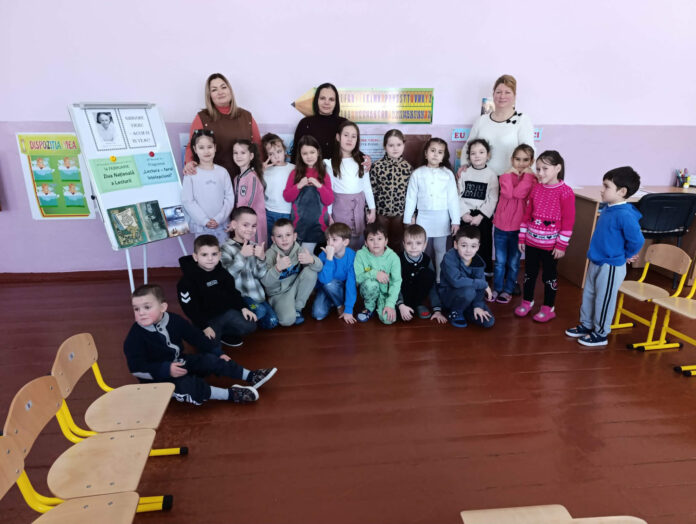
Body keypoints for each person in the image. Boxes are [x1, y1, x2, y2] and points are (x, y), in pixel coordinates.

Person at [124, 284, 277, 406]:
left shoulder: (174, 320)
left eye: (147, 307)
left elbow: (195, 337)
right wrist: (166, 369)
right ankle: (231, 394)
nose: (141, 313)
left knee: (210, 360)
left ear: (163, 307)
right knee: (189, 386)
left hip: (179, 362)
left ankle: (251, 376)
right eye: (136, 309)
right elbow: (136, 368)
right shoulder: (135, 337)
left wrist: (218, 353)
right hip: (158, 379)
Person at [566, 167, 644, 347]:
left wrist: (627, 255)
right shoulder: (609, 208)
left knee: (604, 299)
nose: (602, 190)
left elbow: (637, 240)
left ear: (622, 191)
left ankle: (601, 333)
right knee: (589, 295)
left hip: (611, 265)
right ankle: (587, 324)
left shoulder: (624, 214)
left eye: (606, 186)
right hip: (597, 260)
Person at [515, 151, 575, 322]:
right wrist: (522, 237)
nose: (540, 173)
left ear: (558, 168)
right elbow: (527, 215)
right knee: (529, 275)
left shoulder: (566, 192)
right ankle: (527, 301)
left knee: (549, 277)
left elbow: (568, 221)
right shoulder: (536, 189)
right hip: (531, 243)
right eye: (538, 169)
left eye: (545, 169)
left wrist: (561, 245)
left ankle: (549, 307)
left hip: (552, 247)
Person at [177, 235, 257, 349]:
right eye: (204, 255)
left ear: (219, 255)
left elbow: (233, 293)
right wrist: (204, 326)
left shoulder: (222, 273)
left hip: (225, 313)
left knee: (250, 325)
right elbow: (190, 308)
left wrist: (243, 307)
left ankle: (224, 334)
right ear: (195, 257)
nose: (210, 258)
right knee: (210, 346)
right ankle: (208, 335)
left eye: (214, 254)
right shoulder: (186, 281)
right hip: (205, 319)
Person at [403, 138, 460, 283]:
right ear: (426, 153)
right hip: (423, 217)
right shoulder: (417, 173)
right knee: (420, 248)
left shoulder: (448, 174)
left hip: (442, 217)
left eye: (440, 152)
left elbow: (453, 199)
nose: (435, 154)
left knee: (440, 249)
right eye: (433, 151)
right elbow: (411, 198)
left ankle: (439, 279)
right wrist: (408, 219)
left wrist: (455, 221)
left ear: (444, 156)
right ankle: (421, 277)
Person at [184, 73, 261, 176]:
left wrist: (261, 169)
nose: (220, 92)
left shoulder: (247, 116)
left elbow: (258, 146)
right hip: (213, 178)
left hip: (245, 177)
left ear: (230, 90)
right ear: (210, 96)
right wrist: (189, 162)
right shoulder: (202, 118)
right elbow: (191, 146)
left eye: (223, 87)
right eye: (214, 90)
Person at [459, 75, 535, 176]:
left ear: (514, 96)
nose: (502, 96)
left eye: (507, 92)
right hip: (481, 178)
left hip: (510, 180)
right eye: (498, 92)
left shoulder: (522, 120)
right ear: (493, 94)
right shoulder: (481, 120)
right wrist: (464, 165)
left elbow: (529, 152)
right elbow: (468, 146)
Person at [220, 207, 279, 330]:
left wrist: (262, 258)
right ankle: (234, 317)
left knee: (272, 321)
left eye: (253, 226)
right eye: (245, 225)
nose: (250, 229)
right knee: (260, 311)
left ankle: (250, 319)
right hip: (240, 297)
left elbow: (260, 275)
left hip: (257, 295)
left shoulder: (255, 246)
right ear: (234, 225)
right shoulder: (225, 248)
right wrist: (241, 256)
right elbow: (227, 276)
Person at [492, 144, 536, 304]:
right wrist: (506, 174)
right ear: (512, 160)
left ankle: (508, 290)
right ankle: (497, 288)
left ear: (531, 161)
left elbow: (518, 194)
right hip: (501, 226)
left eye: (525, 160)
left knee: (513, 262)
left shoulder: (532, 179)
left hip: (519, 229)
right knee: (500, 262)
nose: (521, 163)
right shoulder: (505, 176)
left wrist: (528, 177)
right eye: (517, 159)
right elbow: (508, 193)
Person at [262, 219, 323, 326]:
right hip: (279, 294)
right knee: (287, 321)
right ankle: (277, 305)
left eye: (288, 235)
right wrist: (277, 268)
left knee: (311, 271)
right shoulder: (270, 255)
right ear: (273, 239)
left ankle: (297, 308)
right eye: (279, 236)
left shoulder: (299, 250)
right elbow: (265, 282)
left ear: (294, 236)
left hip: (295, 288)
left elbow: (319, 267)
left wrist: (311, 260)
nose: (284, 239)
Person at [326, 121, 376, 250]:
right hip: (340, 209)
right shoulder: (330, 163)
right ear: (338, 137)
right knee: (341, 241)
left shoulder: (362, 161)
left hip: (358, 208)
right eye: (346, 135)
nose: (350, 139)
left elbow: (366, 186)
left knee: (358, 242)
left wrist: (372, 209)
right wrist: (329, 215)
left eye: (354, 136)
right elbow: (329, 191)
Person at [181, 129, 234, 244]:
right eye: (201, 147)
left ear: (215, 147)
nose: (206, 151)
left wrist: (219, 218)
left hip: (222, 225)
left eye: (209, 147)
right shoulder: (191, 174)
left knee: (223, 252)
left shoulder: (222, 172)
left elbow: (229, 198)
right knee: (205, 253)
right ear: (195, 149)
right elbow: (188, 200)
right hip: (201, 227)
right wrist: (204, 220)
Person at [283, 135, 334, 253]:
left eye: (312, 152)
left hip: (319, 226)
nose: (309, 156)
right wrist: (299, 185)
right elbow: (287, 197)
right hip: (299, 225)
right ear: (300, 155)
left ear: (318, 152)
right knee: (299, 256)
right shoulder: (295, 173)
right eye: (305, 153)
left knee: (314, 257)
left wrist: (319, 185)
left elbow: (329, 200)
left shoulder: (324, 174)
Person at [438, 225, 495, 329]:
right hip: (450, 296)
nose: (468, 250)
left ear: (478, 247)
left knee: (488, 321)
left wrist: (477, 306)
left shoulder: (478, 262)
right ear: (456, 244)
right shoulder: (449, 257)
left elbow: (480, 288)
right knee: (469, 291)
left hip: (469, 297)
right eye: (464, 245)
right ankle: (455, 311)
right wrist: (483, 284)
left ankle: (466, 310)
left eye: (473, 246)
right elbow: (456, 281)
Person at [458, 138, 499, 276]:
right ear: (469, 156)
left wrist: (480, 216)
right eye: (473, 153)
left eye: (481, 152)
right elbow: (457, 195)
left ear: (488, 155)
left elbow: (493, 198)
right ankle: (463, 270)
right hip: (466, 214)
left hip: (483, 216)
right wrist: (464, 213)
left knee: (484, 243)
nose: (477, 156)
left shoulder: (491, 175)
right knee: (464, 243)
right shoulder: (464, 173)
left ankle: (485, 271)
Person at [370, 129, 413, 251]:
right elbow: (372, 190)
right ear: (385, 146)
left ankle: (395, 263)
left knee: (397, 243)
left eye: (399, 145)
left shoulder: (408, 168)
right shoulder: (377, 166)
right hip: (381, 214)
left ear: (404, 145)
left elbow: (412, 194)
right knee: (380, 242)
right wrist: (369, 210)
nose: (395, 148)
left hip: (400, 214)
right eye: (391, 145)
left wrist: (412, 214)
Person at [396, 224, 446, 324]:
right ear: (404, 244)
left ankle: (418, 304)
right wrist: (400, 303)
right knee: (401, 319)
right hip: (402, 294)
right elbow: (394, 284)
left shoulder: (427, 260)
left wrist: (437, 310)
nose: (414, 247)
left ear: (424, 245)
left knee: (428, 274)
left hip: (418, 294)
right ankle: (403, 306)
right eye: (409, 243)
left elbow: (432, 286)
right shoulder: (398, 259)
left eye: (418, 243)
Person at [354, 222, 402, 325]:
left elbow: (396, 282)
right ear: (366, 243)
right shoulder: (360, 254)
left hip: (385, 294)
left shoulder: (393, 258)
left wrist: (390, 304)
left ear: (386, 241)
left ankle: (381, 305)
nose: (376, 243)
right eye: (371, 239)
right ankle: (369, 308)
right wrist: (375, 274)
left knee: (388, 320)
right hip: (368, 291)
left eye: (379, 239)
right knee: (371, 284)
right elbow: (357, 278)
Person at [312, 222, 357, 324]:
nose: (330, 243)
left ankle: (339, 303)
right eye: (328, 239)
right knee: (318, 315)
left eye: (334, 240)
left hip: (341, 289)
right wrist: (329, 258)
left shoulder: (352, 257)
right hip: (325, 286)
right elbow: (324, 280)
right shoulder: (323, 255)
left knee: (331, 285)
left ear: (345, 242)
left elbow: (351, 284)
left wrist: (348, 309)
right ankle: (338, 304)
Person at [292, 82, 347, 162]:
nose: (326, 102)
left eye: (331, 99)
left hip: (338, 169)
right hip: (311, 170)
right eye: (322, 98)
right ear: (316, 100)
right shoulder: (305, 123)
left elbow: (353, 150)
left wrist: (364, 159)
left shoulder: (344, 124)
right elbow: (296, 155)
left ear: (336, 102)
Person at [231, 139, 267, 245]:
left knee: (254, 249)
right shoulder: (236, 178)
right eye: (235, 153)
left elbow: (248, 205)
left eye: (243, 153)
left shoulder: (253, 177)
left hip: (253, 223)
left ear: (251, 156)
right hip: (241, 222)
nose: (238, 156)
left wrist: (236, 222)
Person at [261, 133, 294, 237]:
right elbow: (258, 189)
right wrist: (260, 173)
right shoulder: (266, 170)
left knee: (286, 240)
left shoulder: (293, 168)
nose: (276, 156)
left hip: (287, 211)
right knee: (271, 239)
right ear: (267, 156)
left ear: (284, 150)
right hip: (269, 211)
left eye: (279, 151)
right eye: (271, 154)